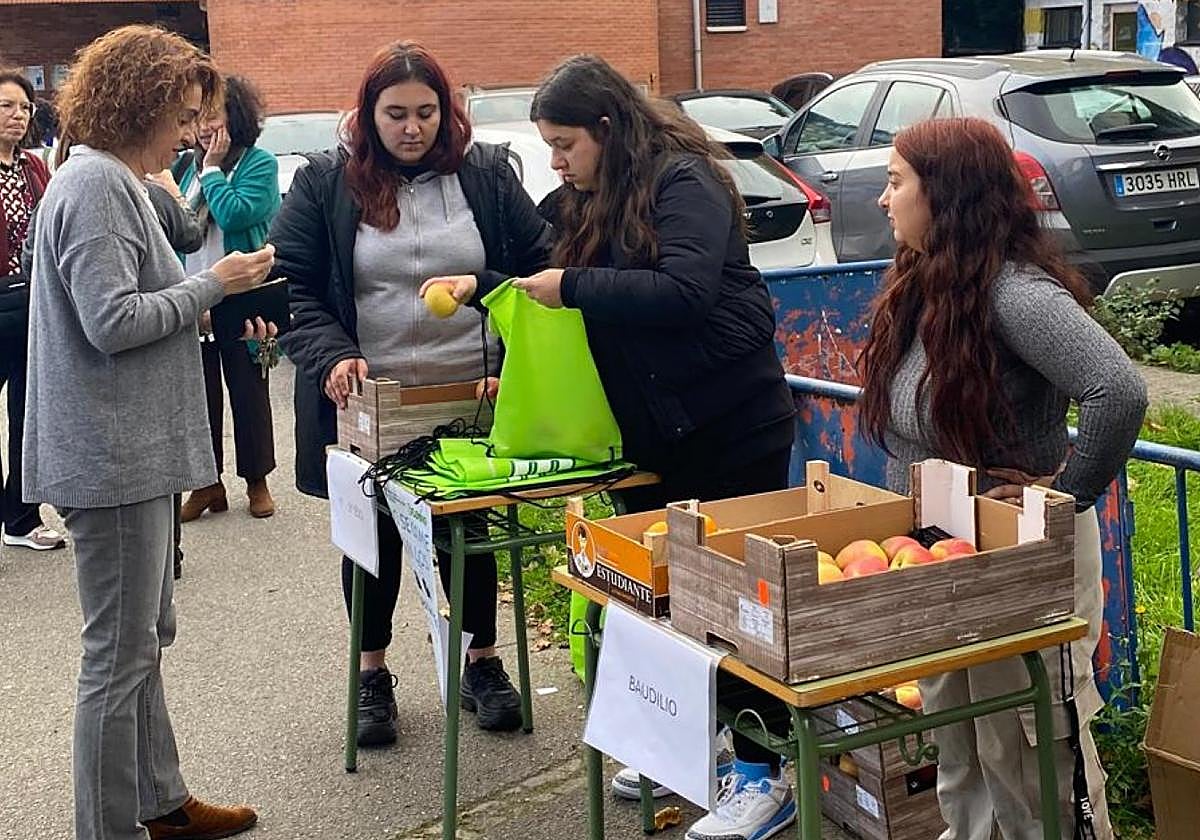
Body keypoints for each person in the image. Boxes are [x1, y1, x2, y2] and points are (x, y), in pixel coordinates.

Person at [426, 55, 798, 840]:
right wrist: (490, 285)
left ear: (607, 127)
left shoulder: (683, 181)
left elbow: (683, 293)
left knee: (735, 609)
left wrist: (572, 288)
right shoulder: (590, 196)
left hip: (730, 426)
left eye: (564, 144)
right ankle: (687, 742)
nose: (555, 163)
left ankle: (764, 775)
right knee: (658, 602)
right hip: (647, 435)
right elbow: (554, 286)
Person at [858, 116, 1147, 840]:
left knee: (1028, 750)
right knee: (960, 744)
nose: (882, 201)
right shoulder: (926, 285)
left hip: (1022, 559)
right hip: (947, 550)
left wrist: (1061, 497)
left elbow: (1119, 390)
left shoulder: (1015, 294)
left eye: (896, 184)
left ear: (947, 195)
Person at [23, 25, 276, 840]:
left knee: (139, 644)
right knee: (117, 658)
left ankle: (159, 801)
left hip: (126, 451)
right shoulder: (94, 185)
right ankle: (108, 828)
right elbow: (110, 321)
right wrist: (215, 283)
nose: (192, 132)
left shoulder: (108, 178)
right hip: (111, 456)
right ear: (137, 105)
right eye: (182, 115)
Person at [271, 41, 553, 746]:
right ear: (368, 115)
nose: (412, 128)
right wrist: (332, 353)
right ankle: (372, 675)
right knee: (373, 536)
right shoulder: (326, 182)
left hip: (472, 394)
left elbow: (541, 266)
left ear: (446, 111)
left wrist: (515, 356)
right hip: (368, 401)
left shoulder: (485, 176)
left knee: (469, 529)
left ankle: (480, 664)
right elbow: (291, 287)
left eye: (426, 112)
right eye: (395, 114)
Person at [173, 75, 281, 522]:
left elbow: (235, 212)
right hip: (191, 292)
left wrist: (213, 169)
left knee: (248, 387)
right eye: (196, 117)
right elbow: (176, 223)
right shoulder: (182, 165)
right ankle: (206, 483)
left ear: (235, 117)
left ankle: (256, 480)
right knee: (197, 396)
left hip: (242, 294)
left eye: (211, 115)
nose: (202, 126)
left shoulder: (259, 164)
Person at [0, 68, 65, 553]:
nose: (17, 116)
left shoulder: (34, 168)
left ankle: (20, 517)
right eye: (6, 106)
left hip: (29, 302)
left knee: (28, 411)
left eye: (24, 108)